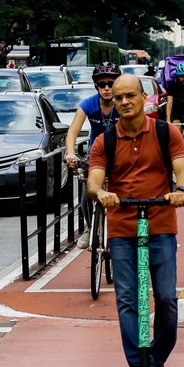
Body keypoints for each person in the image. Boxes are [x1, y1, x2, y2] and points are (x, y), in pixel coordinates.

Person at [86, 73, 184, 367]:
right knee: (128, 299)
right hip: (121, 228)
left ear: (144, 97)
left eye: (129, 96)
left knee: (166, 298)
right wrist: (101, 193)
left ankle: (156, 359)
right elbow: (94, 179)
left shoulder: (165, 132)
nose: (124, 102)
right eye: (117, 98)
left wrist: (181, 189)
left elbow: (182, 167)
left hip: (159, 223)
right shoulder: (107, 140)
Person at [65, 61, 122, 249]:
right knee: (87, 190)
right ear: (96, 86)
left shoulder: (123, 104)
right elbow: (72, 131)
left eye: (111, 84)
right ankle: (91, 227)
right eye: (101, 84)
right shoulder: (88, 104)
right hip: (96, 154)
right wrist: (71, 153)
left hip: (122, 150)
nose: (106, 88)